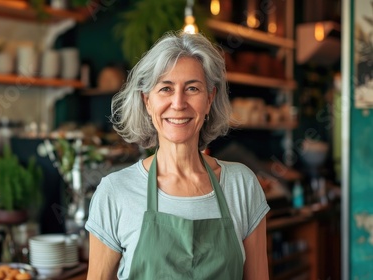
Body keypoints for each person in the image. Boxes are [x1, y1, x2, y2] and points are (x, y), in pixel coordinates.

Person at [85, 31, 270, 279]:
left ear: (209, 100)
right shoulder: (115, 192)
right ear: (147, 101)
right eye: (166, 88)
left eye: (192, 88)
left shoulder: (242, 185)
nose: (178, 103)